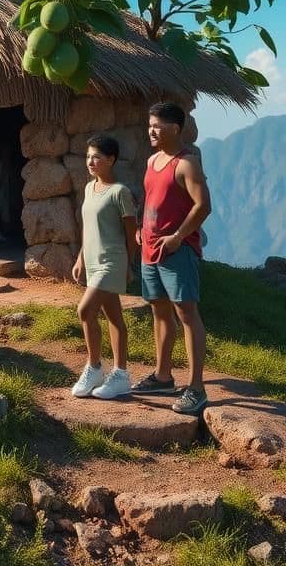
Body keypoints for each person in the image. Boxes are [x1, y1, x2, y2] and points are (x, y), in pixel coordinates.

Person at [131, 101, 212, 416]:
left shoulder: (186, 164)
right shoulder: (152, 161)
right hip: (150, 249)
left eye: (157, 125)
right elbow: (151, 200)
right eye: (149, 124)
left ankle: (197, 388)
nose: (151, 130)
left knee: (187, 314)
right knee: (160, 312)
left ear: (175, 128)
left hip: (178, 251)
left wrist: (178, 237)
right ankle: (163, 377)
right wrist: (140, 228)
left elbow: (203, 206)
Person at [70, 134, 138, 399]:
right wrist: (80, 258)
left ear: (111, 159)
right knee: (115, 318)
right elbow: (89, 229)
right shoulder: (89, 188)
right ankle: (120, 374)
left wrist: (128, 265)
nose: (91, 161)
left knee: (85, 310)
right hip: (93, 260)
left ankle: (94, 366)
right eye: (88, 156)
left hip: (113, 261)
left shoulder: (120, 192)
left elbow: (132, 234)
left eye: (97, 156)